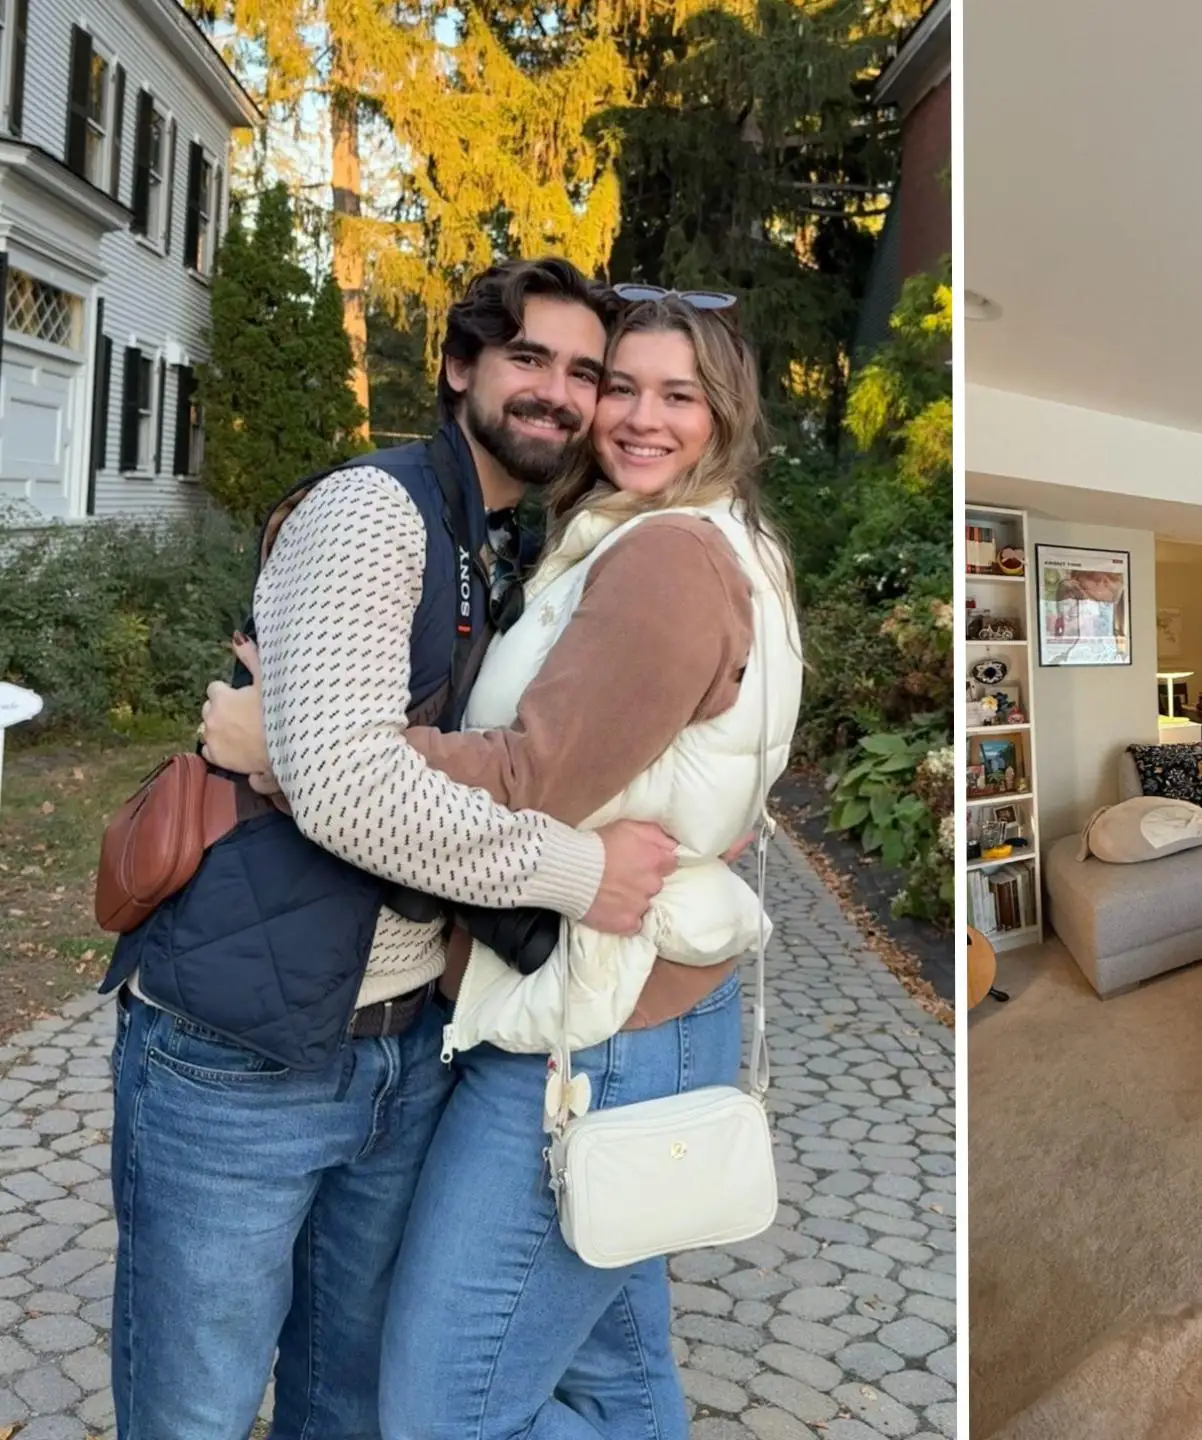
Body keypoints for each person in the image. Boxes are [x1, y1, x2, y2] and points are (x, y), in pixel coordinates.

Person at [204, 287, 803, 1436]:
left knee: (442, 1407)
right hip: (645, 1008)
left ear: (725, 414)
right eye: (616, 386)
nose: (634, 416)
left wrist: (297, 745)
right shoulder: (709, 538)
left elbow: (534, 777)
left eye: (677, 395)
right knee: (616, 1376)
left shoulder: (668, 559)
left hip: (592, 1030)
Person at [108, 258, 680, 1440]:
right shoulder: (379, 511)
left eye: (585, 373)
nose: (560, 396)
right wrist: (581, 877)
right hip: (241, 1054)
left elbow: (362, 761)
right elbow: (358, 791)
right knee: (197, 1410)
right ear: (462, 366)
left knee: (348, 1401)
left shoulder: (504, 545)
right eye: (529, 358)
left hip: (399, 1044)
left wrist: (293, 749)